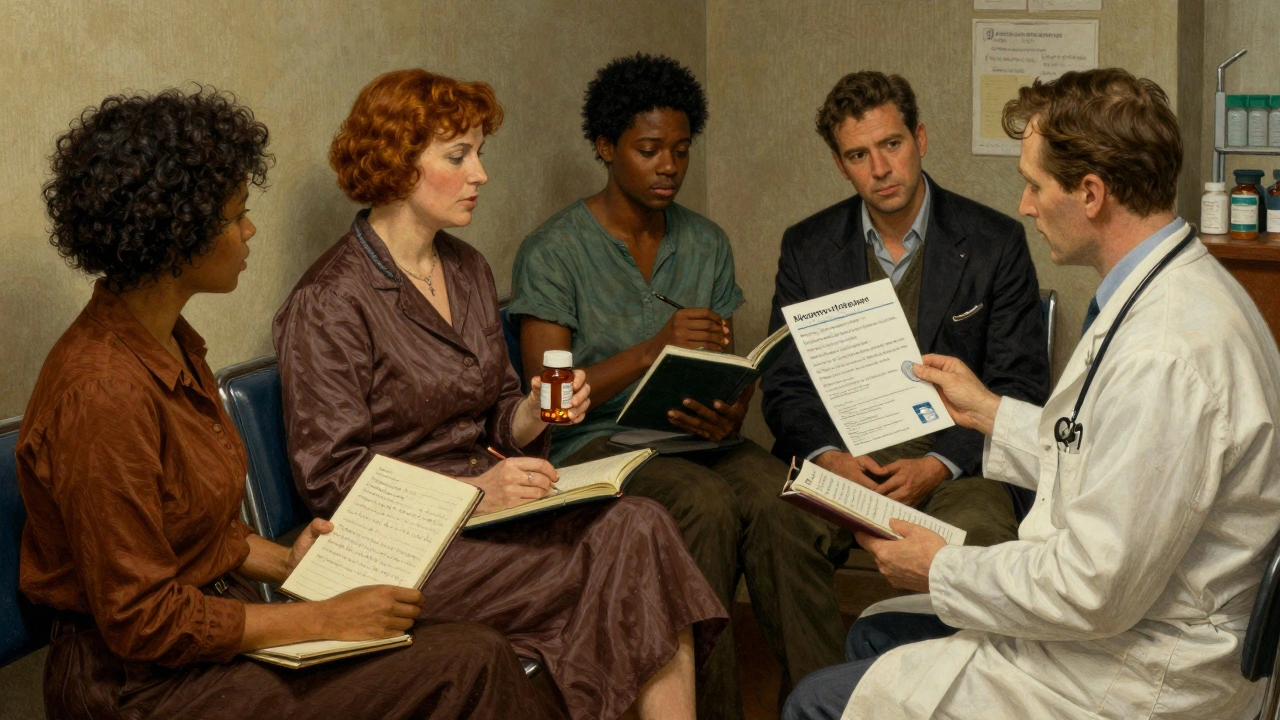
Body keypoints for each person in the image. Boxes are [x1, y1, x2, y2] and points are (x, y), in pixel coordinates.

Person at [18, 88, 556, 719]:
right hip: (138, 685)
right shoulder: (102, 392)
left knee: (470, 652)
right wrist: (324, 617)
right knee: (469, 661)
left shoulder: (171, 343)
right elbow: (141, 621)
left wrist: (290, 560)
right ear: (176, 236)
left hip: (207, 636)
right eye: (235, 215)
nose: (249, 230)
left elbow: (202, 532)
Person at [783, 68, 1280, 720]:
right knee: (875, 634)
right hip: (1132, 625)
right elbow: (1108, 459)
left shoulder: (1168, 354)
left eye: (1035, 184)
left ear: (1092, 193)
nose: (1024, 204)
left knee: (815, 704)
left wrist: (941, 568)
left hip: (1141, 671)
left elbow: (1092, 589)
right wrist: (988, 413)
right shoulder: (1173, 293)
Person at [273, 69, 726, 720]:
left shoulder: (468, 268)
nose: (481, 174)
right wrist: (474, 493)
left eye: (480, 153)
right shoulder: (330, 301)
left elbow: (498, 413)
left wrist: (540, 408)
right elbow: (333, 481)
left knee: (642, 521)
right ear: (398, 164)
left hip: (489, 518)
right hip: (402, 549)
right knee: (612, 566)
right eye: (459, 156)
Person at [509, 53, 842, 717]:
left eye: (682, 151)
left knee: (787, 501)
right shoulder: (553, 252)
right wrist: (650, 351)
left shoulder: (706, 244)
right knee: (704, 507)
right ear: (605, 148)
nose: (669, 167)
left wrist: (730, 409)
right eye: (649, 149)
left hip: (693, 439)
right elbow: (548, 404)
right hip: (593, 449)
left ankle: (832, 704)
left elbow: (724, 364)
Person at [763, 70, 1050, 549]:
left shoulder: (993, 242)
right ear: (840, 164)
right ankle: (848, 631)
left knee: (978, 542)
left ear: (919, 139)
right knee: (776, 531)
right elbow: (785, 383)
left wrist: (936, 467)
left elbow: (1018, 384)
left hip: (959, 469)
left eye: (891, 144)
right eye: (858, 155)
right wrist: (830, 459)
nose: (879, 168)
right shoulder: (806, 247)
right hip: (844, 466)